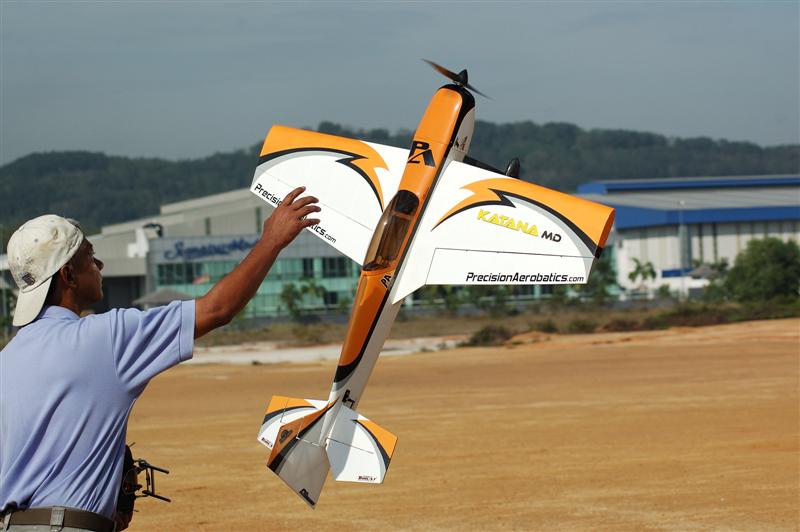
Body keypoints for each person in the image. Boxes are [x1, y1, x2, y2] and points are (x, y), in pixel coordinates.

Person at [0, 187, 320, 532]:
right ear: (68, 276)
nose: (99, 265)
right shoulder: (105, 337)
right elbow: (217, 309)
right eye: (90, 257)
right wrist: (271, 240)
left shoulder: (8, 358)